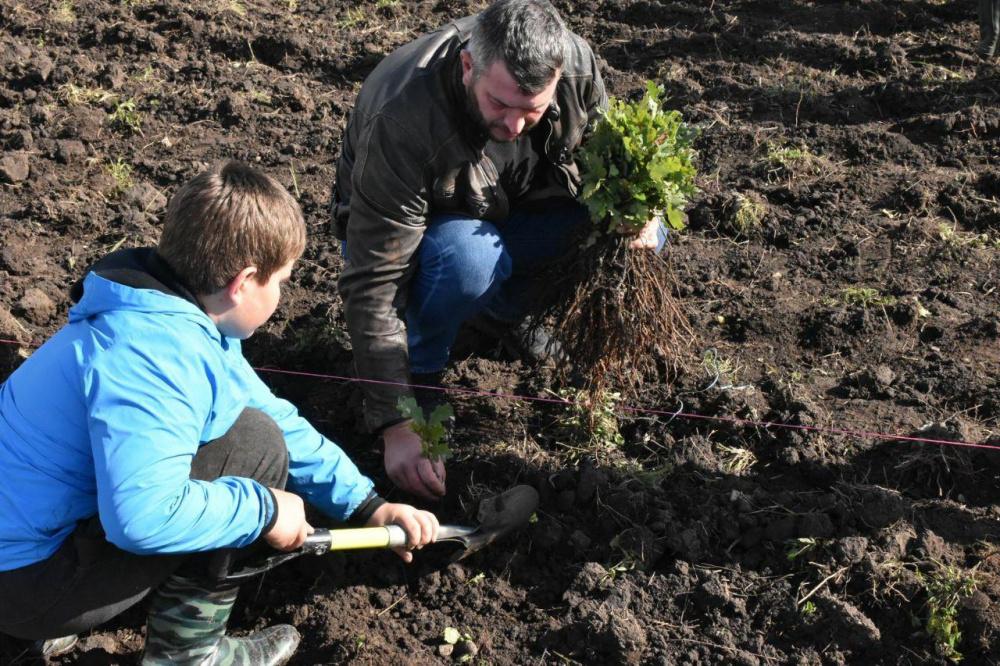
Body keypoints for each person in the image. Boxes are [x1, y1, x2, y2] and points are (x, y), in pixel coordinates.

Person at [0, 161, 439, 665]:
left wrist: (366, 506)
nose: (281, 295)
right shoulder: (154, 356)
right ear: (244, 281)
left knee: (256, 430)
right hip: (24, 583)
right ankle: (188, 654)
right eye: (281, 281)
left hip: (22, 551)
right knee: (253, 450)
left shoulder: (160, 309)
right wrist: (264, 509)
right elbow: (139, 518)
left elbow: (270, 411)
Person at [331, 0, 664, 501]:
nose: (513, 126)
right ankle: (423, 363)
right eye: (499, 105)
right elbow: (375, 279)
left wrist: (642, 212)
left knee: (635, 230)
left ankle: (503, 315)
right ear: (469, 66)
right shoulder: (404, 115)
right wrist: (396, 421)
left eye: (531, 110)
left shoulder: (575, 67)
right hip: (420, 241)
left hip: (507, 211)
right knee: (468, 260)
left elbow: (612, 165)